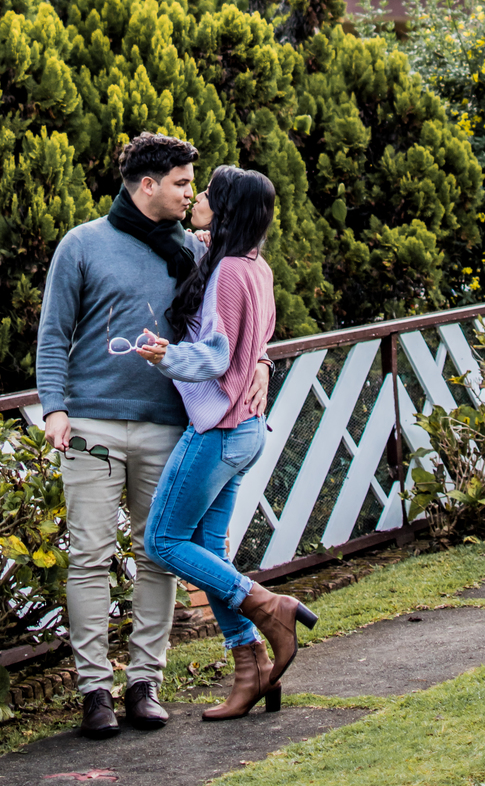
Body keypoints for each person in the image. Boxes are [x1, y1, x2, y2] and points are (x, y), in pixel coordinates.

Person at [35, 132, 270, 740]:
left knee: (156, 554)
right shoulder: (82, 244)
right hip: (90, 424)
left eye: (194, 185)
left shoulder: (198, 254)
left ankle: (145, 683)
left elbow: (244, 320)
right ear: (148, 185)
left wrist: (264, 365)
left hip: (172, 426)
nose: (192, 192)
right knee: (87, 558)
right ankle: (94, 691)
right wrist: (54, 409)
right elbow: (53, 333)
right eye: (183, 183)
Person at [137, 166, 318, 721]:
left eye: (209, 194)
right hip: (244, 430)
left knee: (163, 541)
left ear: (229, 210)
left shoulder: (230, 274)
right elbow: (251, 345)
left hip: (219, 429)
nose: (198, 198)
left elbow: (216, 355)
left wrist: (166, 356)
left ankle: (269, 605)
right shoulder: (249, 264)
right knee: (209, 554)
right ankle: (253, 666)